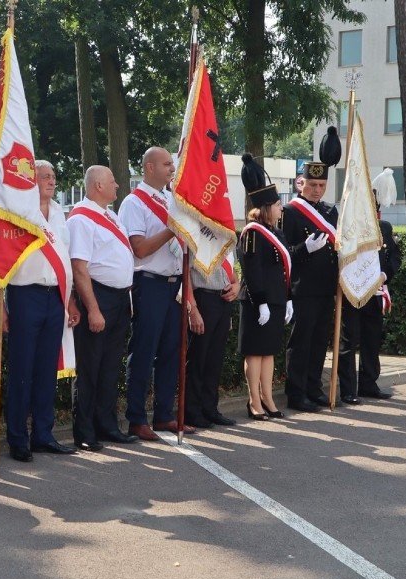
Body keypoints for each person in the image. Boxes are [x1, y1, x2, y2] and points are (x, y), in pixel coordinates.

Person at [4, 160, 80, 462]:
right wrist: (3, 307)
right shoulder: (19, 214)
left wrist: (70, 299)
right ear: (29, 180)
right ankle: (17, 438)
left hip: (55, 297)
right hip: (25, 295)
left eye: (53, 176)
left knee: (47, 369)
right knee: (22, 369)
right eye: (44, 176)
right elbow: (3, 261)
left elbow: (64, 260)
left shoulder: (60, 213)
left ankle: (44, 435)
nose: (50, 181)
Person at [118, 147, 195, 440]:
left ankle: (164, 415)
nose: (171, 169)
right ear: (149, 167)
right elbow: (138, 248)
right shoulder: (133, 203)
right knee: (144, 351)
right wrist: (172, 231)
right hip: (148, 283)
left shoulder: (170, 199)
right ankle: (136, 418)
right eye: (166, 164)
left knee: (171, 353)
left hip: (173, 284)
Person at [67, 165, 138, 451]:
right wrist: (93, 309)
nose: (117, 185)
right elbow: (80, 268)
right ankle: (85, 431)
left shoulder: (111, 216)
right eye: (112, 181)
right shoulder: (81, 219)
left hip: (119, 299)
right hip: (98, 297)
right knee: (90, 367)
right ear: (98, 185)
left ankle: (107, 425)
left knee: (109, 367)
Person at [281, 126, 341, 412]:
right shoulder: (291, 213)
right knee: (301, 343)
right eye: (311, 185)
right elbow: (284, 254)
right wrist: (305, 248)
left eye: (321, 186)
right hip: (302, 287)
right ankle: (296, 393)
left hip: (326, 286)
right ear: (300, 183)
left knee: (319, 343)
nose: (317, 190)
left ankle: (314, 387)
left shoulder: (330, 211)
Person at [237, 154, 292, 420]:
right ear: (266, 208)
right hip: (257, 302)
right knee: (255, 353)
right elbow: (252, 270)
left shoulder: (277, 232)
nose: (282, 209)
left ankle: (269, 398)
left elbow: (283, 267)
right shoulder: (253, 233)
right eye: (278, 205)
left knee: (268, 352)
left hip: (276, 300)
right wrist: (260, 302)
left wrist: (288, 298)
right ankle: (254, 400)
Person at [338, 181, 403, 402]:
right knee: (349, 341)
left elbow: (395, 256)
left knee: (372, 341)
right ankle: (348, 390)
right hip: (353, 293)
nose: (372, 215)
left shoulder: (384, 228)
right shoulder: (348, 231)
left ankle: (369, 384)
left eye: (374, 211)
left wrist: (384, 276)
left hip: (375, 295)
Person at [185, 252, 239, 428]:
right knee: (197, 358)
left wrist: (237, 285)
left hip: (223, 299)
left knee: (215, 359)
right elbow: (186, 271)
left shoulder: (227, 234)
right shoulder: (198, 233)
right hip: (203, 297)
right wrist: (192, 308)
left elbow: (233, 270)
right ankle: (192, 412)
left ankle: (210, 409)